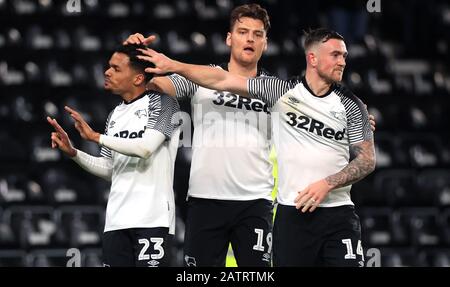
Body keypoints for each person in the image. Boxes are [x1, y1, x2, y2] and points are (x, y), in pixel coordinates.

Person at [137, 28, 376, 267]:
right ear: (312, 58)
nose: (342, 62)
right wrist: (169, 64)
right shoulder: (279, 92)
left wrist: (328, 183)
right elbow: (221, 80)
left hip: (339, 213)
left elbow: (367, 160)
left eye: (344, 56)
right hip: (291, 214)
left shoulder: (353, 106)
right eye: (335, 55)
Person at [124, 4, 274, 267]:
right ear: (230, 38)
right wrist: (132, 56)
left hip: (255, 203)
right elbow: (153, 84)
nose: (250, 38)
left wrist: (360, 118)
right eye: (242, 32)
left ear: (265, 42)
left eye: (257, 34)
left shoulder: (274, 90)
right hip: (205, 201)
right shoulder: (198, 78)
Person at [47, 44, 181, 267]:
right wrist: (74, 153)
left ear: (138, 79)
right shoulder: (115, 114)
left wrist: (97, 137)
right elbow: (110, 169)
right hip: (116, 222)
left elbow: (145, 148)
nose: (107, 72)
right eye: (109, 67)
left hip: (153, 219)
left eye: (116, 68)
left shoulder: (165, 104)